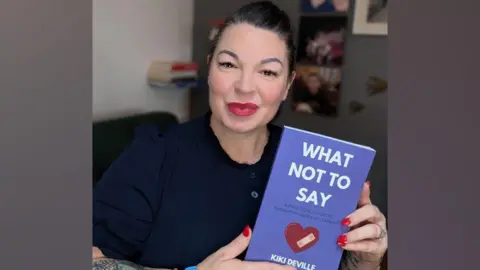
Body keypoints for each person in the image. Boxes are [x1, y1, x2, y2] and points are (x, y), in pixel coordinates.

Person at [92, 1, 388, 270]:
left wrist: (364, 261)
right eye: (229, 64)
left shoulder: (316, 165)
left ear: (287, 85)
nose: (245, 87)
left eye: (268, 72)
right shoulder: (152, 156)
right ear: (210, 70)